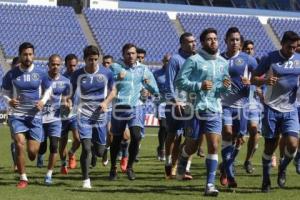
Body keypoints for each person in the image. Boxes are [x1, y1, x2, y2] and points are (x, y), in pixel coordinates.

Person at [175, 28, 230, 196]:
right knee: (191, 145)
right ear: (203, 42)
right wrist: (199, 86)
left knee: (213, 145)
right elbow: (179, 81)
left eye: (215, 38)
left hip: (214, 108)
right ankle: (183, 157)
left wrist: (225, 87)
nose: (213, 41)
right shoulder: (193, 60)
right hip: (194, 109)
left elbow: (222, 89)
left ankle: (210, 185)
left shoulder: (223, 62)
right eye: (209, 39)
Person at [251, 31, 300, 192]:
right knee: (269, 146)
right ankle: (266, 179)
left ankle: (283, 167)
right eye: (289, 47)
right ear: (282, 44)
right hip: (271, 107)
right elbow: (253, 78)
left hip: (291, 109)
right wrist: (265, 80)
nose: (292, 50)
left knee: (293, 145)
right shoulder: (270, 58)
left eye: (295, 47)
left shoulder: (298, 60)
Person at [1, 42, 52, 189]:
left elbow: (48, 90)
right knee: (19, 143)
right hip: (17, 115)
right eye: (25, 54)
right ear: (20, 55)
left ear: (33, 55)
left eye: (30, 54)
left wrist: (42, 101)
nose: (28, 57)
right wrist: (10, 101)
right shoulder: (11, 74)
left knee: (32, 153)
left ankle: (31, 151)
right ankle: (23, 178)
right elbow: (4, 92)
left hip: (35, 116)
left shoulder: (41, 73)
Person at [109, 43, 158, 181]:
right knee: (117, 139)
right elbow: (108, 83)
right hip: (119, 106)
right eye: (128, 53)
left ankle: (130, 167)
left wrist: (150, 90)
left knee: (136, 136)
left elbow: (153, 87)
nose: (131, 56)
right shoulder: (115, 67)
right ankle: (113, 168)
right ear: (123, 54)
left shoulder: (143, 69)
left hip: (137, 106)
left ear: (137, 55)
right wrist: (117, 77)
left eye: (133, 53)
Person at [71, 45, 116, 188]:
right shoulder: (77, 74)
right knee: (85, 147)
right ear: (84, 59)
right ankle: (86, 180)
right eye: (90, 59)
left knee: (99, 150)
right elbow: (70, 92)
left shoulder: (106, 73)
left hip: (100, 115)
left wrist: (106, 102)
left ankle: (103, 152)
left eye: (96, 59)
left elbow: (114, 91)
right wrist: (67, 101)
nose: (93, 62)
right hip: (83, 114)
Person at [219, 27, 258, 188]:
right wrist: (220, 83)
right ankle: (230, 174)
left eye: (237, 40)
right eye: (231, 39)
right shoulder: (218, 59)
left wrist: (252, 82)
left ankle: (225, 167)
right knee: (228, 134)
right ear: (226, 41)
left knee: (239, 139)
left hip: (243, 106)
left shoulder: (248, 59)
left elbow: (260, 77)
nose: (234, 42)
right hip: (224, 104)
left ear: (240, 42)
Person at [164, 32, 196, 179]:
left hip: (192, 104)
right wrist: (175, 100)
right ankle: (169, 163)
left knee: (191, 137)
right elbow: (169, 82)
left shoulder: (197, 59)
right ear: (182, 44)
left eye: (194, 41)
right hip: (176, 104)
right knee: (174, 136)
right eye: (189, 42)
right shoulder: (175, 60)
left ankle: (185, 168)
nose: (193, 44)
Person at [38, 54, 71, 185]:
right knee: (41, 148)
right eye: (53, 64)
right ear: (48, 65)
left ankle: (48, 175)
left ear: (61, 65)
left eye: (58, 64)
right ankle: (40, 155)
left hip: (55, 118)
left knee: (54, 146)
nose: (55, 66)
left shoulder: (65, 81)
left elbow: (67, 98)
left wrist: (68, 105)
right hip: (40, 118)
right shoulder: (41, 79)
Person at [242, 40, 264, 173]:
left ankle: (248, 160)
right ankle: (229, 161)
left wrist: (260, 88)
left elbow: (262, 81)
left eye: (251, 49)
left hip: (253, 103)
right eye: (247, 49)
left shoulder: (257, 65)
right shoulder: (237, 64)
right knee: (236, 136)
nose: (249, 51)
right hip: (238, 102)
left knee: (255, 131)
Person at [58, 54, 81, 174]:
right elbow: (57, 94)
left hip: (75, 114)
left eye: (74, 65)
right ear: (65, 64)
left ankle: (71, 153)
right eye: (70, 65)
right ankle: (63, 163)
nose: (72, 68)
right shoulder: (61, 78)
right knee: (62, 142)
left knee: (78, 139)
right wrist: (64, 100)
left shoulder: (80, 77)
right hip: (62, 115)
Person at [91, 54, 114, 167]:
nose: (106, 65)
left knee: (110, 134)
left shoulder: (114, 76)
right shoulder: (98, 75)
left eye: (108, 63)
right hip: (97, 110)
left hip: (109, 109)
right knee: (93, 134)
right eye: (104, 63)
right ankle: (95, 153)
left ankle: (105, 151)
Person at [153, 53, 171, 161]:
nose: (168, 63)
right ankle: (162, 148)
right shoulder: (157, 74)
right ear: (163, 61)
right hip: (161, 104)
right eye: (166, 60)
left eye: (169, 61)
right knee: (163, 126)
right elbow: (152, 87)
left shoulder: (175, 73)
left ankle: (161, 147)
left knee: (170, 129)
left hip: (172, 103)